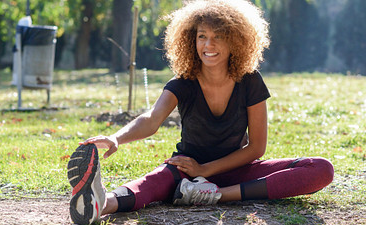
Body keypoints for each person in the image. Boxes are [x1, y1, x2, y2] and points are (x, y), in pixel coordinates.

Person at [67, 0, 334, 224]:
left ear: (236, 41)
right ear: (190, 40)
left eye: (219, 37)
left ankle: (215, 194)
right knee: (152, 183)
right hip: (186, 171)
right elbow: (151, 119)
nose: (209, 45)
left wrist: (207, 173)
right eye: (202, 36)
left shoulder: (250, 80)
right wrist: (116, 138)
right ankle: (100, 203)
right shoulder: (183, 82)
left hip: (237, 170)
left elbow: (257, 148)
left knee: (321, 168)